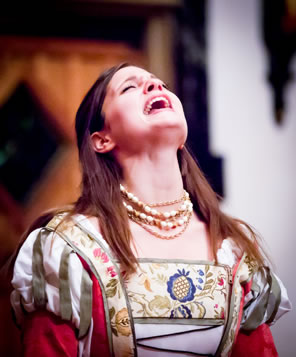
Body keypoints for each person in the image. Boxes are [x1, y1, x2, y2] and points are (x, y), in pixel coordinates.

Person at [10, 63, 291, 357]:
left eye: (161, 85)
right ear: (102, 140)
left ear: (182, 137)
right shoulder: (69, 248)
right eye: (130, 87)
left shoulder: (233, 247)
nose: (155, 86)